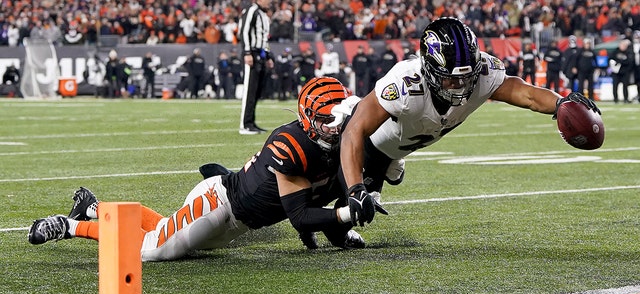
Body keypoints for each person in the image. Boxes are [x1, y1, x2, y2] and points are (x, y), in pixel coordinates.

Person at [28, 77, 371, 261]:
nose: (337, 125)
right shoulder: (290, 144)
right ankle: (70, 226)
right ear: (309, 120)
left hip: (237, 223)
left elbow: (325, 192)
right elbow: (299, 214)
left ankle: (93, 207)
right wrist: (344, 217)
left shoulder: (339, 143)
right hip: (218, 205)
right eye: (328, 119)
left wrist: (340, 229)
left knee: (163, 229)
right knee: (149, 250)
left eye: (339, 117)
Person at [334, 17, 600, 223]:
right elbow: (354, 131)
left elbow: (525, 93)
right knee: (337, 209)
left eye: (466, 77)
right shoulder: (405, 84)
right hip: (359, 141)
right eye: (450, 78)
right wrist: (356, 188)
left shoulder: (482, 73)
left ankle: (388, 166)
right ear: (429, 69)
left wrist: (559, 103)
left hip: (400, 142)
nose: (460, 86)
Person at [238, 0, 274, 135]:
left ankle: (251, 122)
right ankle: (245, 124)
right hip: (252, 52)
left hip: (260, 54)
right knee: (249, 90)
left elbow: (265, 38)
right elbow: (244, 31)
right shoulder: (251, 10)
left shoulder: (263, 14)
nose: (269, 2)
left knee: (256, 91)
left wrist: (268, 56)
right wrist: (247, 52)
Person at [609, 39, 634, 104]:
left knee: (625, 86)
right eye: (622, 45)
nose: (623, 46)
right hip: (616, 73)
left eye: (625, 45)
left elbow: (629, 62)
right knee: (615, 86)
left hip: (625, 72)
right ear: (620, 45)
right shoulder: (615, 51)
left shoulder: (628, 52)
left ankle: (626, 99)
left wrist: (620, 62)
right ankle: (615, 99)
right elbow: (610, 60)